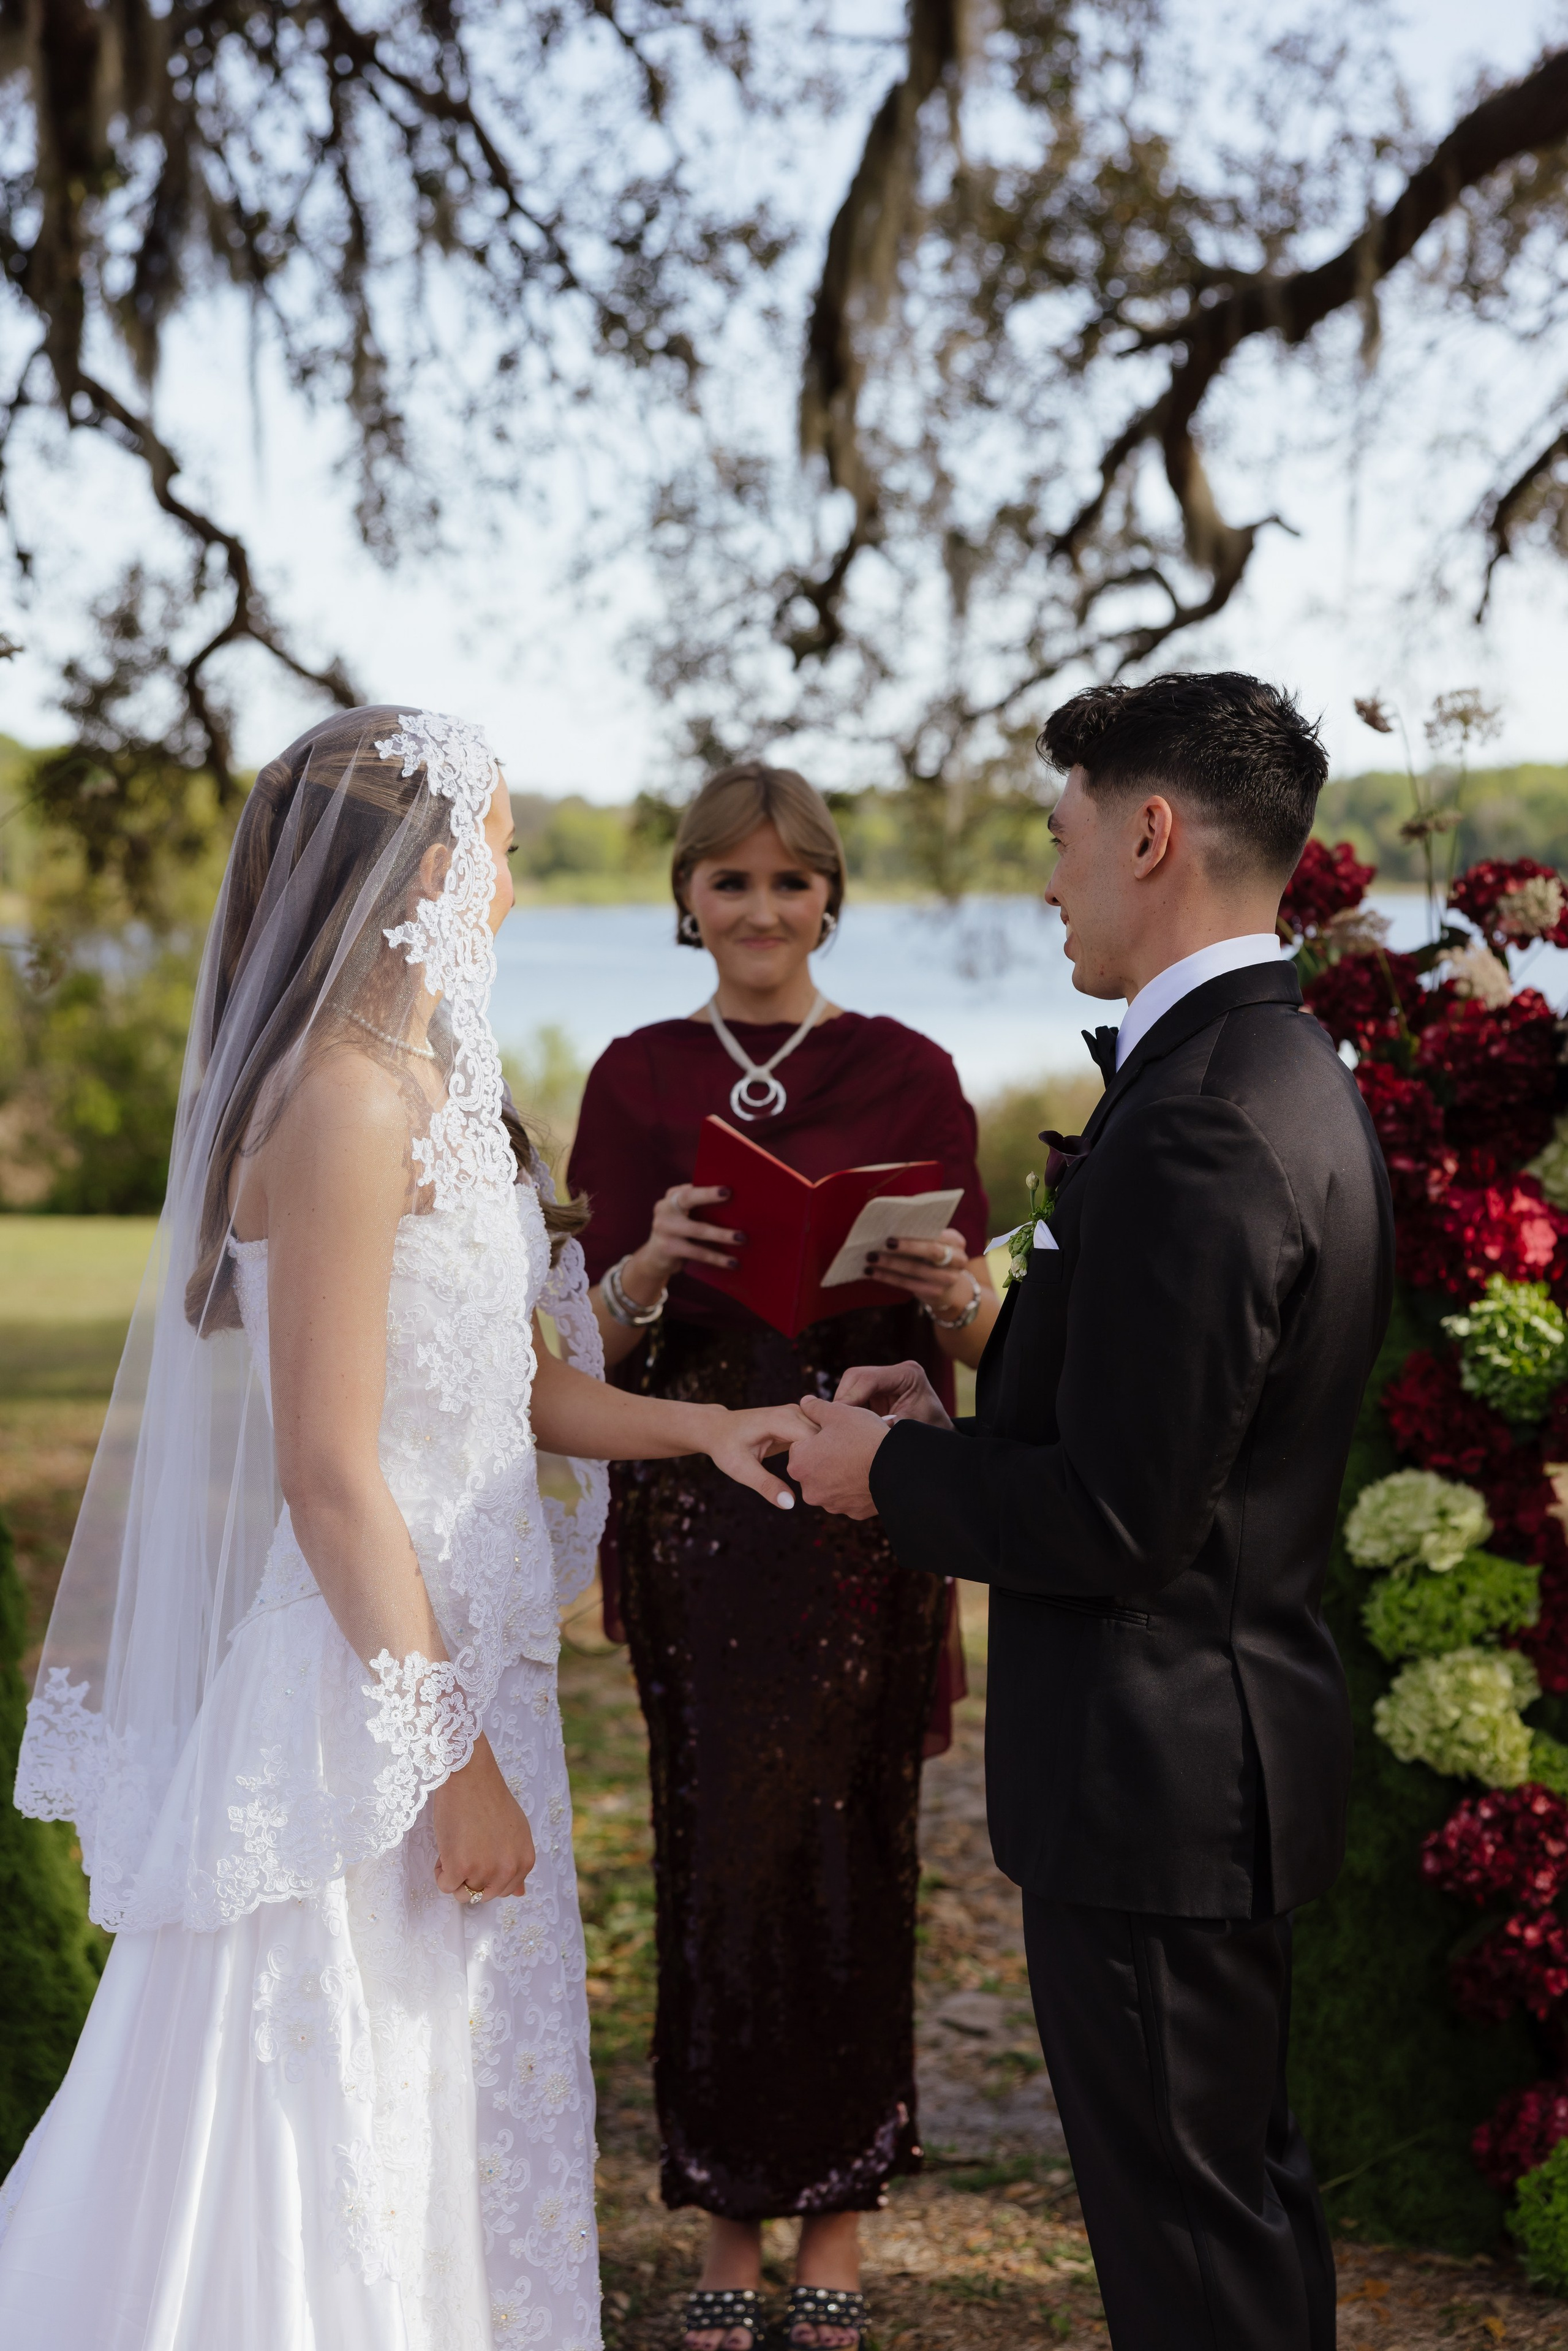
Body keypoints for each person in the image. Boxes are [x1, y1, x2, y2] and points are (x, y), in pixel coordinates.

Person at [0, 708, 811, 2351]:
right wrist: (450, 1760)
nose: (512, 885)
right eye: (504, 849)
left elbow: (509, 1389)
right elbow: (327, 1471)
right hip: (367, 1717)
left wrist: (709, 1428)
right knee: (347, 2117)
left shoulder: (432, 1087)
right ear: (435, 867)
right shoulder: (342, 1103)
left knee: (465, 2109)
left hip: (462, 1675)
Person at [786, 673, 1395, 2351]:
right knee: (1227, 2205)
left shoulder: (1204, 1118)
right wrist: (960, 1399)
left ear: (1150, 833)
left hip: (1159, 1773)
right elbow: (1174, 1423)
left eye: (1059, 841)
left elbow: (1128, 1518)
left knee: (1191, 2241)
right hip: (1207, 1753)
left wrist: (883, 1474)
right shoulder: (1265, 1067)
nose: (1048, 883)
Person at [565, 761, 998, 2351]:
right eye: (730, 882)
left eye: (791, 881)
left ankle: (842, 2218)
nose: (761, 910)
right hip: (698, 1522)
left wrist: (953, 1294)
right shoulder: (633, 1075)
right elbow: (571, 1352)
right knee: (715, 1851)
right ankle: (724, 2225)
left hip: (855, 1521)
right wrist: (645, 1268)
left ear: (832, 896)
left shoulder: (910, 1068)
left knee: (854, 1845)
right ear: (687, 899)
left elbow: (960, 1328)